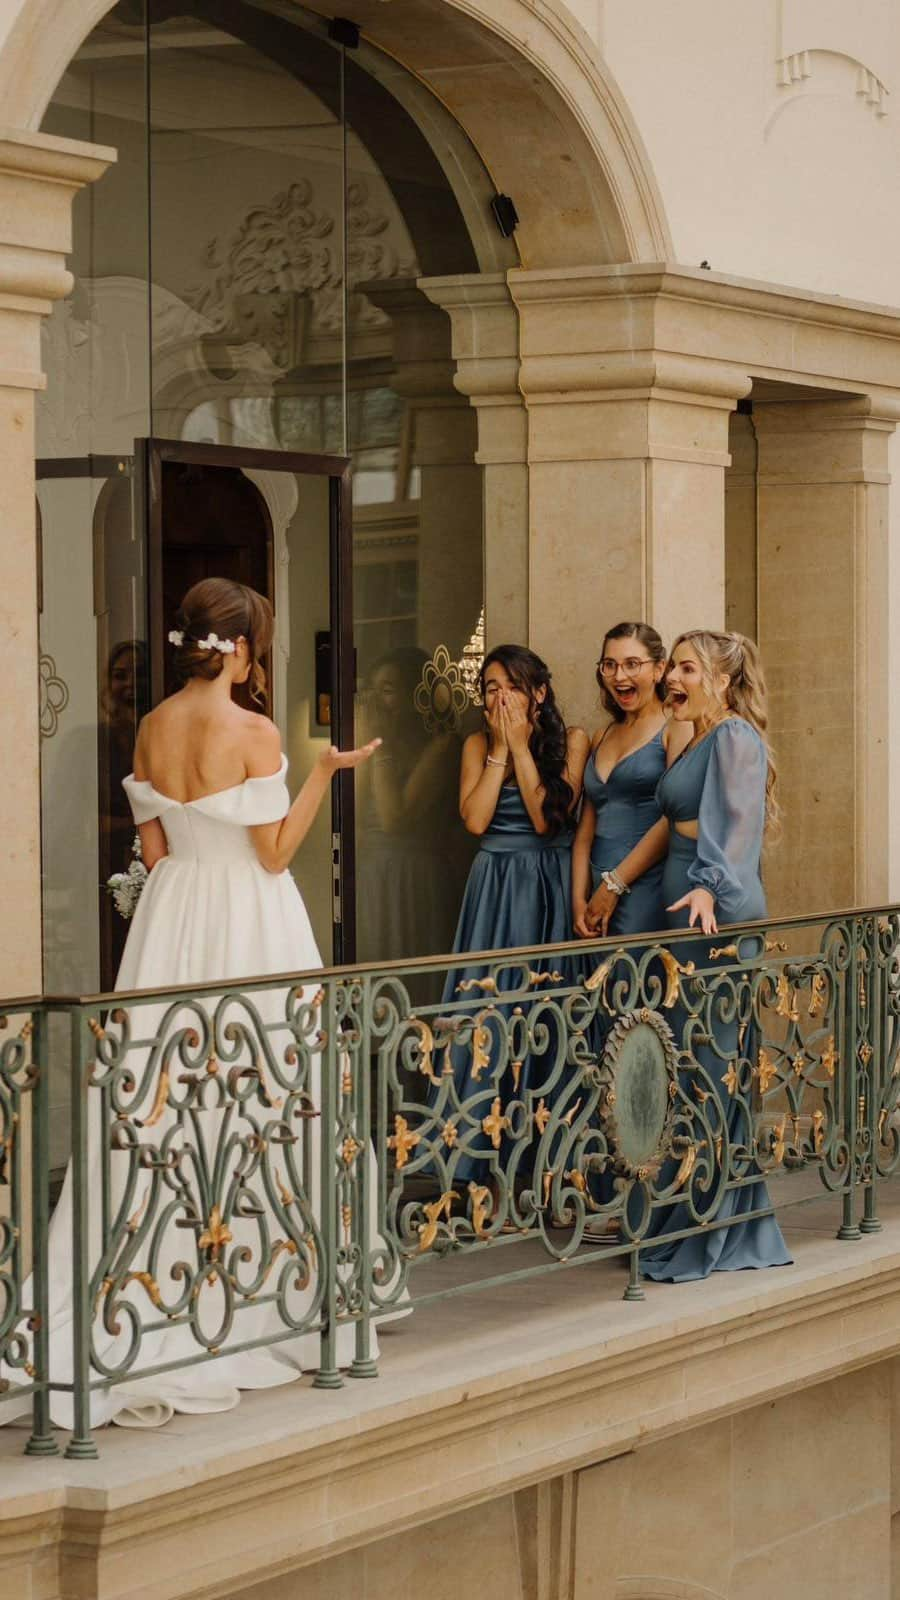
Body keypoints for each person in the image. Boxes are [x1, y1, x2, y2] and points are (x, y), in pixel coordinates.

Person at [3, 578, 384, 1431]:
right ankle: (253, 1279)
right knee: (263, 1091)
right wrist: (324, 771)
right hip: (248, 917)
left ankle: (142, 1283)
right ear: (242, 647)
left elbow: (153, 846)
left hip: (169, 920)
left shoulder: (150, 726)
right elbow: (278, 855)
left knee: (158, 1098)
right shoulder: (254, 730)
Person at [640, 628, 793, 1282]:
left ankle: (720, 1224)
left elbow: (736, 827)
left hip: (716, 916)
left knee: (711, 1066)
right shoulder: (696, 735)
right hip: (685, 915)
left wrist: (708, 887)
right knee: (690, 1065)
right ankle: (690, 1213)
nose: (674, 677)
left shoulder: (733, 737)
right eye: (672, 667)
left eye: (689, 668)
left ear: (723, 681)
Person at [429, 646, 589, 1199]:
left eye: (513, 687)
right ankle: (470, 1163)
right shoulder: (476, 744)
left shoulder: (574, 741)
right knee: (485, 1012)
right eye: (491, 687)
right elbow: (474, 819)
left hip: (547, 884)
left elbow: (548, 820)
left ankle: (548, 1162)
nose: (500, 697)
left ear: (538, 693)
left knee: (545, 1012)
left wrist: (521, 745)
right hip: (495, 886)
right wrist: (499, 748)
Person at [572, 622, 691, 941]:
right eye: (609, 665)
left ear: (659, 669)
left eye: (631, 664)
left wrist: (615, 885)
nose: (619, 676)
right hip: (594, 892)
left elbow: (674, 819)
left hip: (645, 887)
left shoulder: (675, 728)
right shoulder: (602, 735)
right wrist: (577, 901)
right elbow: (584, 832)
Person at [355, 646, 467, 964]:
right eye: (372, 690)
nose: (376, 701)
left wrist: (381, 747)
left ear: (416, 695)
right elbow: (352, 812)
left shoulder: (442, 745)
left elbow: (394, 819)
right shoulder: (376, 742)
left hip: (415, 875)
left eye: (387, 690)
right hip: (374, 873)